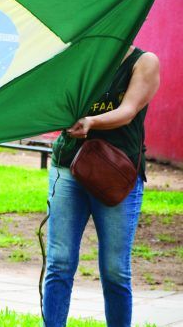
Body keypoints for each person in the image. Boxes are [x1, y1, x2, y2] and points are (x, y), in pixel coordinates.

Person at [43, 46, 160, 327]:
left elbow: (128, 110)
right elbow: (57, 98)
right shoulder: (83, 55)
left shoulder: (144, 62)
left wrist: (91, 121)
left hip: (116, 173)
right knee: (59, 263)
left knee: (114, 270)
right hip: (68, 166)